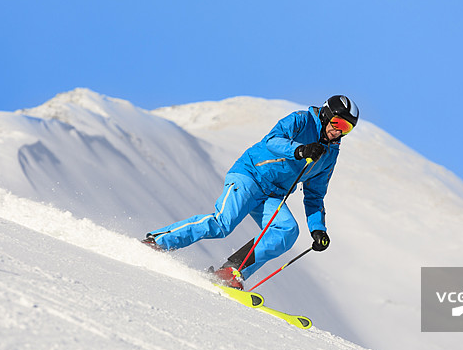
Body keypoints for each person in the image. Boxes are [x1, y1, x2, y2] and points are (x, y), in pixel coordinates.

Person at [143, 95, 359, 289]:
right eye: (338, 123)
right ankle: (157, 242)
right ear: (326, 115)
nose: (339, 131)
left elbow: (315, 195)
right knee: (223, 223)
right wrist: (300, 150)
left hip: (273, 193)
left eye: (347, 128)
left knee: (287, 230)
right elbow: (272, 140)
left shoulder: (329, 154)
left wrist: (318, 229)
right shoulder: (302, 120)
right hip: (250, 175)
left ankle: (231, 271)